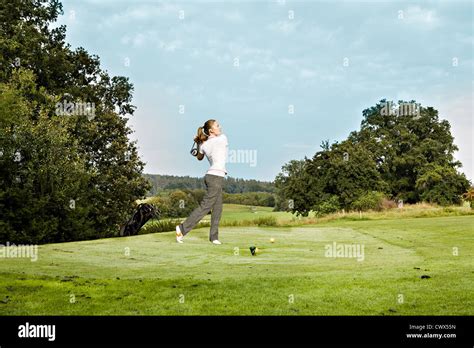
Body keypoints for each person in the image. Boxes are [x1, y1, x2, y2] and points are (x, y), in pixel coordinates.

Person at [175, 119, 228, 245]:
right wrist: (201, 140)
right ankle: (182, 229)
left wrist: (199, 141)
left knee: (218, 208)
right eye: (217, 126)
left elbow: (199, 157)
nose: (220, 127)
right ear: (211, 130)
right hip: (215, 177)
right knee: (206, 206)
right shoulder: (222, 138)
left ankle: (214, 237)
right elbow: (202, 154)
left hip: (215, 177)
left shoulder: (204, 145)